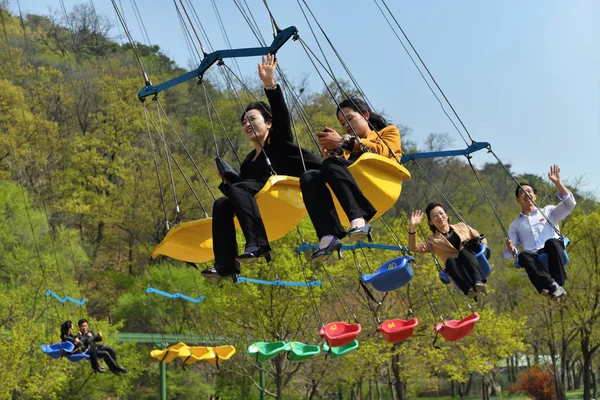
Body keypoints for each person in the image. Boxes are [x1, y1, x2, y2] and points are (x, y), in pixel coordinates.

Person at [201, 54, 321, 282]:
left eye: (252, 119)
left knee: (236, 191)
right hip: (263, 202)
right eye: (244, 122)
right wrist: (227, 181)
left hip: (284, 194)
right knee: (222, 204)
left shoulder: (279, 143)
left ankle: (258, 243)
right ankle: (226, 264)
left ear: (268, 123)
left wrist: (270, 85)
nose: (247, 124)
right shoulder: (248, 162)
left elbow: (282, 116)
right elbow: (243, 192)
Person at [300, 97, 402, 262]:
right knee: (309, 176)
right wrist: (328, 157)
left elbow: (382, 151)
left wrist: (344, 142)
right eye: (342, 123)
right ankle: (328, 236)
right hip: (357, 185)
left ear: (366, 115)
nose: (346, 125)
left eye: (349, 118)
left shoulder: (387, 133)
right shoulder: (346, 152)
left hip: (381, 180)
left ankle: (359, 220)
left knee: (333, 164)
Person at [504, 165, 575, 300]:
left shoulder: (549, 211)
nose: (527, 194)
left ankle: (558, 283)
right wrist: (511, 248)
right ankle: (552, 285)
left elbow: (569, 204)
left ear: (535, 196)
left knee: (551, 242)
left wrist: (558, 183)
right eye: (522, 192)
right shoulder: (515, 225)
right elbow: (511, 254)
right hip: (535, 259)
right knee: (523, 256)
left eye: (530, 191)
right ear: (518, 200)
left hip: (553, 251)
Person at [408, 203, 488, 298]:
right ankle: (468, 289)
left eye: (441, 213)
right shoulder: (432, 241)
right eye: (435, 216)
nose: (439, 217)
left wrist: (479, 245)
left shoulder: (462, 226)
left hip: (474, 260)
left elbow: (481, 239)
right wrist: (413, 227)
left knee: (464, 252)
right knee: (450, 260)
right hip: (456, 269)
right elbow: (414, 247)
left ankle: (478, 282)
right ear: (431, 222)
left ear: (446, 215)